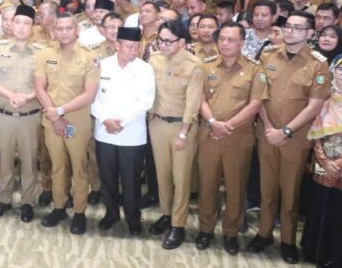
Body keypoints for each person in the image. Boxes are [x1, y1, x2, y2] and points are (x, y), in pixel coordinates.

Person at [248, 11, 331, 263]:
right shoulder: (267, 55)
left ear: (309, 33)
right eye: (289, 27)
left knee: (291, 192)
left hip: (295, 139)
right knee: (267, 189)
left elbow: (314, 106)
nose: (291, 31)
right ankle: (264, 234)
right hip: (266, 132)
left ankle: (287, 240)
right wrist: (270, 127)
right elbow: (259, 96)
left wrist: (284, 131)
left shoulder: (318, 64)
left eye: (298, 28)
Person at [196, 23, 268, 255]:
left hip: (238, 139)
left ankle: (231, 233)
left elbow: (255, 103)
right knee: (207, 186)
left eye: (231, 39)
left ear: (242, 42)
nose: (225, 44)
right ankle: (205, 229)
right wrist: (213, 123)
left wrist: (228, 125)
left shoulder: (255, 69)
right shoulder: (206, 66)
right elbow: (199, 99)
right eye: (222, 39)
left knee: (236, 188)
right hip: (209, 136)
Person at [35, 12, 99, 234]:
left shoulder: (90, 57)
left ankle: (80, 212)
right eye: (59, 29)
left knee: (80, 168)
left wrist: (60, 112)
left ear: (77, 30)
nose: (63, 32)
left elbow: (89, 94)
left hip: (77, 121)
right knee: (57, 167)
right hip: (52, 120)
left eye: (68, 28)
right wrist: (54, 116)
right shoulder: (45, 54)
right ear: (53, 31)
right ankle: (59, 206)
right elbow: (39, 87)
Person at [0, 4, 45, 223]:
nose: (20, 27)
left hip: (29, 117)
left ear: (32, 27)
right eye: (17, 22)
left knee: (29, 162)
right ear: (11, 24)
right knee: (4, 160)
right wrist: (10, 94)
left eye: (26, 23)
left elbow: (45, 84)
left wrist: (27, 97)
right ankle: (4, 199)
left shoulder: (41, 52)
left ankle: (28, 202)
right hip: (3, 115)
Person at [91, 27, 156, 235]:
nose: (134, 51)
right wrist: (105, 120)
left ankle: (133, 217)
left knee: (131, 180)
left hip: (132, 134)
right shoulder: (102, 65)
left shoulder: (145, 69)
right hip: (104, 131)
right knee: (108, 177)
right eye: (129, 46)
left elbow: (146, 101)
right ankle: (111, 213)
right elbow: (92, 97)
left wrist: (122, 122)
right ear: (117, 45)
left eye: (137, 47)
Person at [148, 20, 205, 249]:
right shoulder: (154, 60)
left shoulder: (195, 65)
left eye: (168, 41)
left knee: (180, 179)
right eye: (160, 40)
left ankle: (178, 224)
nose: (163, 45)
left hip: (183, 129)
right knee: (162, 176)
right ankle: (165, 214)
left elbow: (193, 104)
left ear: (181, 42)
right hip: (158, 124)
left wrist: (183, 132)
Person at [301, 55, 342, 268]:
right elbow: (316, 134)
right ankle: (316, 251)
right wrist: (325, 161)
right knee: (321, 203)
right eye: (340, 70)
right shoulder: (326, 100)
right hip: (322, 160)